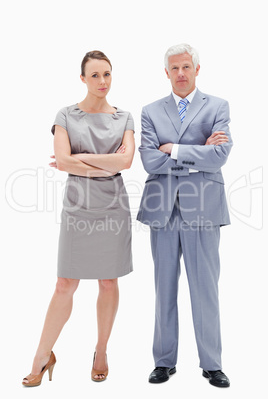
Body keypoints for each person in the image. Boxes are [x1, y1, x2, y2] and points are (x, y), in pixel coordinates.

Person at [22, 50, 135, 387]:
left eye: (107, 74)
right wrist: (104, 162)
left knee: (108, 282)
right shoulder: (66, 115)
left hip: (113, 208)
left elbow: (126, 162)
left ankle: (101, 351)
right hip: (77, 207)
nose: (102, 81)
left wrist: (80, 158)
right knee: (64, 284)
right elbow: (63, 160)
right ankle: (42, 356)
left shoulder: (124, 117)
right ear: (83, 78)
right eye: (95, 75)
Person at [137, 43, 232, 388]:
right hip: (162, 209)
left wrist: (174, 149)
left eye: (186, 67)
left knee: (205, 288)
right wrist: (198, 152)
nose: (180, 73)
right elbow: (149, 160)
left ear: (196, 69)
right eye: (174, 68)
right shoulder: (150, 111)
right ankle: (164, 361)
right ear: (166, 73)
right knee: (163, 288)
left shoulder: (218, 106)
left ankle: (212, 363)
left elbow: (219, 155)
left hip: (203, 208)